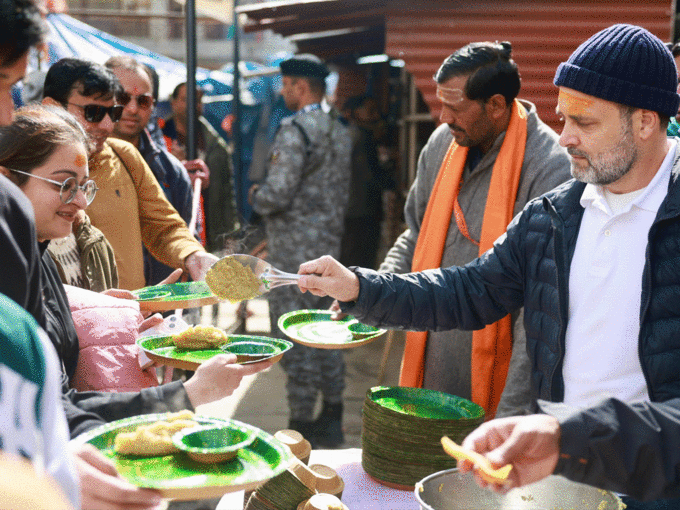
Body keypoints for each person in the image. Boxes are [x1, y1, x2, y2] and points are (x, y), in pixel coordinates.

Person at [296, 24, 680, 507]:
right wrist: (360, 287)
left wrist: (570, 436)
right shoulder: (557, 215)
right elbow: (470, 290)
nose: (565, 139)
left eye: (584, 123)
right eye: (563, 119)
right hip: (555, 477)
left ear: (645, 122)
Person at [0, 104, 271, 443]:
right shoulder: (15, 267)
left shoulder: (36, 255)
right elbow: (51, 413)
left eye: (84, 186)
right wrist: (186, 395)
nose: (82, 202)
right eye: (64, 184)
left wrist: (110, 321)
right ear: (7, 179)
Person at [377, 42, 571, 419]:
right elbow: (415, 233)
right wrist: (377, 288)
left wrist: (510, 414)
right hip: (430, 355)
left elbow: (540, 313)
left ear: (496, 105)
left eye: (455, 107)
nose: (443, 117)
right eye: (442, 103)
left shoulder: (549, 168)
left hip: (495, 376)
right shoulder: (442, 144)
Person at [42, 58, 218, 291]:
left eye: (112, 112)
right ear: (52, 107)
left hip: (129, 318)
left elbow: (163, 227)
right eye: (93, 112)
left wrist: (193, 256)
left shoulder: (124, 155)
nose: (106, 125)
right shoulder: (24, 167)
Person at [248, 55, 352, 447]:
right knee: (328, 331)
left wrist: (257, 195)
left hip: (293, 254)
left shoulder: (294, 130)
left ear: (300, 87)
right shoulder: (339, 130)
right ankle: (334, 413)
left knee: (295, 334)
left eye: (287, 84)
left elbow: (278, 192)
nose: (283, 91)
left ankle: (299, 423)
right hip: (330, 250)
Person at [104, 55, 197, 285]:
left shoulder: (171, 171)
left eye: (143, 101)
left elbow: (181, 234)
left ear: (153, 105)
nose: (133, 109)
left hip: (163, 309)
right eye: (122, 98)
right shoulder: (79, 164)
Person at [161, 81, 239, 253]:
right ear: (173, 103)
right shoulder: (158, 141)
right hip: (172, 234)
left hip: (211, 233)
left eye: (197, 100)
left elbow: (227, 195)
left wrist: (231, 235)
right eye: (185, 99)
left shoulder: (216, 145)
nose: (193, 105)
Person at [339, 94, 396, 270]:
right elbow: (371, 176)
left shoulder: (348, 135)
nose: (376, 116)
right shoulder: (360, 137)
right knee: (358, 264)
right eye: (370, 111)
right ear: (352, 113)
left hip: (351, 210)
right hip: (361, 211)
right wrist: (392, 168)